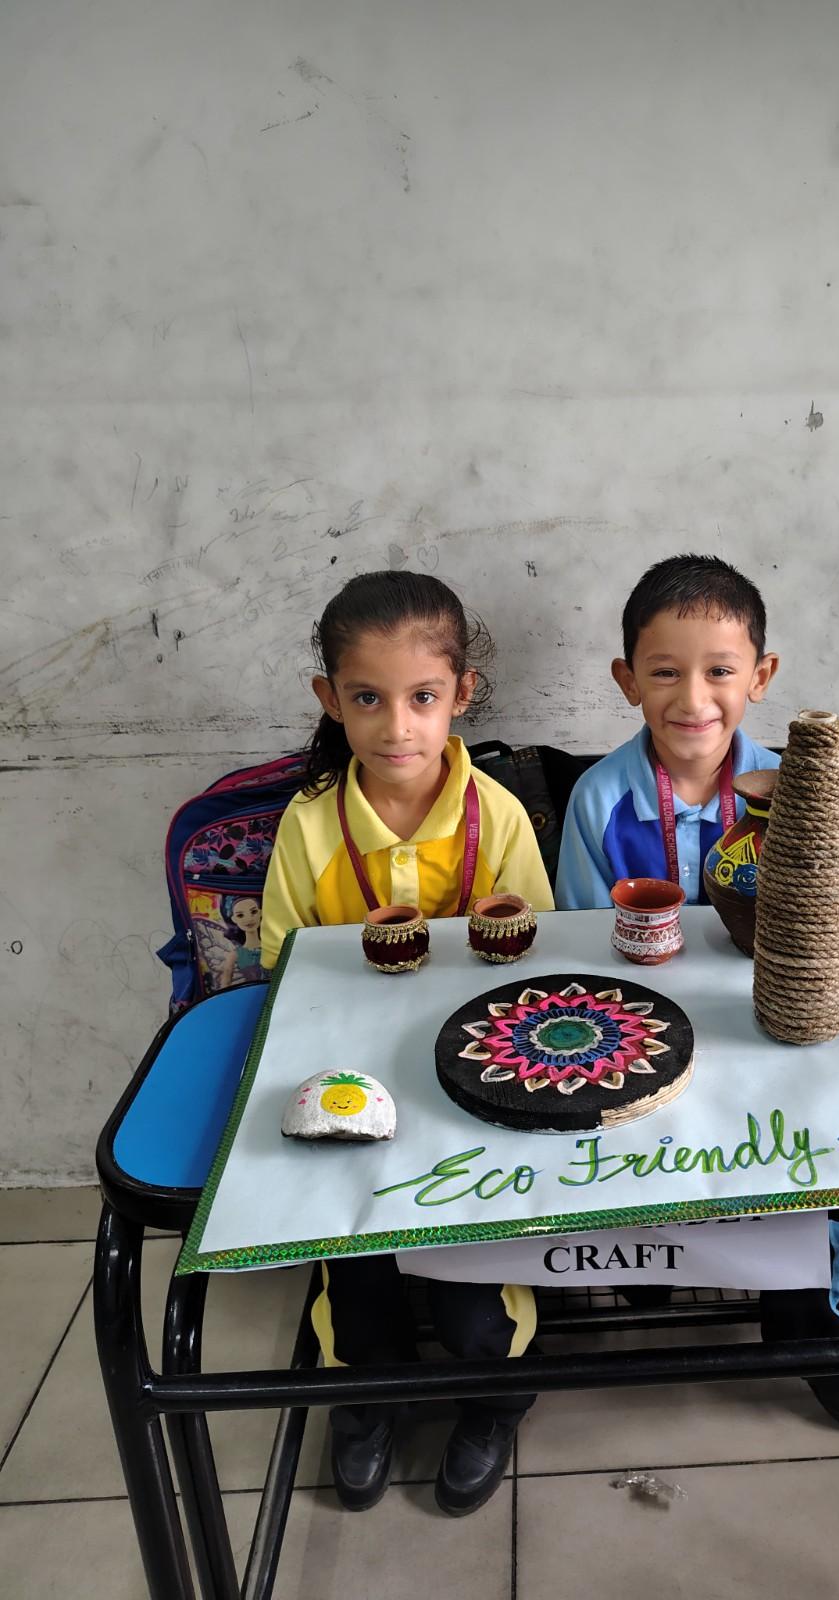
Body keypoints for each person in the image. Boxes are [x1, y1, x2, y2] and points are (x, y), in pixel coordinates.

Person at [556, 552, 839, 1428]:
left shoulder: (803, 796)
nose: (693, 698)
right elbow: (583, 951)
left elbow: (830, 938)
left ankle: (807, 1311)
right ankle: (646, 1257)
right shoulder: (597, 799)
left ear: (761, 677)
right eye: (665, 672)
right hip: (640, 1029)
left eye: (720, 672)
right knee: (619, 1124)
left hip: (767, 1024)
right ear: (627, 680)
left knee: (813, 1127)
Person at [261, 569, 554, 1516]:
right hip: (347, 1086)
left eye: (423, 697)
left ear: (462, 693)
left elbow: (537, 967)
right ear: (329, 699)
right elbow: (281, 972)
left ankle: (494, 1401)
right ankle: (368, 1397)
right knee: (353, 1270)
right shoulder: (309, 828)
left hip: (476, 1091)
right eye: (368, 699)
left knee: (475, 1285)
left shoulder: (496, 816)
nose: (397, 727)